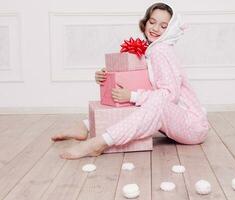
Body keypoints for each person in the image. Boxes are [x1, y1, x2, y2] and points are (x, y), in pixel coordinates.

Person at [51, 2, 209, 159]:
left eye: (163, 26)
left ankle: (100, 142)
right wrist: (107, 76)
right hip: (176, 123)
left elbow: (170, 95)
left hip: (192, 126)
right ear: (145, 22)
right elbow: (139, 80)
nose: (155, 29)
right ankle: (86, 126)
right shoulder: (151, 49)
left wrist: (133, 96)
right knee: (139, 101)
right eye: (152, 22)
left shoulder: (161, 50)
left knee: (152, 103)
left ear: (170, 29)